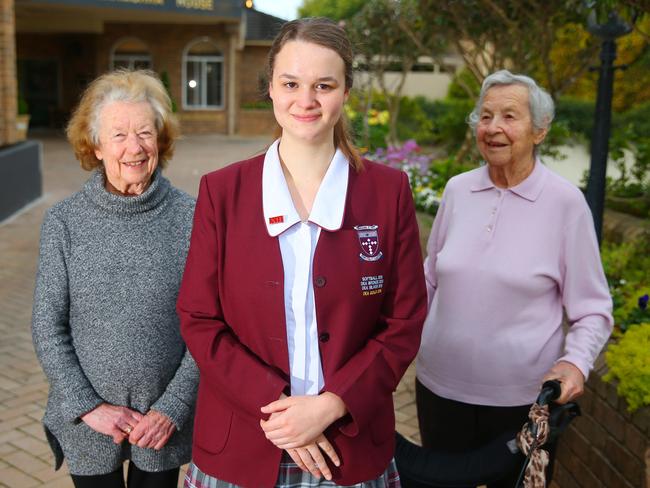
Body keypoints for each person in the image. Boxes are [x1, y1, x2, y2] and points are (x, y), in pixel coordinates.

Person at [177, 17, 427, 488]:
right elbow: (198, 318)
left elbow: (405, 320)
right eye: (290, 83)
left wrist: (334, 403)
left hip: (348, 444)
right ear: (270, 87)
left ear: (346, 91)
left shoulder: (388, 192)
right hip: (245, 442)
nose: (306, 100)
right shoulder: (223, 192)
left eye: (324, 85)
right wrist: (280, 411)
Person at [415, 70, 613, 487]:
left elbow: (592, 309)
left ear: (540, 130)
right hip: (439, 390)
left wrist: (575, 362)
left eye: (509, 116)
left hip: (521, 404)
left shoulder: (565, 204)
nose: (493, 128)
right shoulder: (456, 190)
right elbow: (429, 281)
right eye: (485, 117)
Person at [32, 70, 199, 488]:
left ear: (160, 140)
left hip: (162, 423)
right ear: (95, 144)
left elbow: (208, 323)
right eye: (119, 135)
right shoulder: (64, 222)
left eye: (145, 132)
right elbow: (47, 327)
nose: (134, 147)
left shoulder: (193, 217)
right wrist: (89, 407)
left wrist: (172, 408)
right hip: (89, 422)